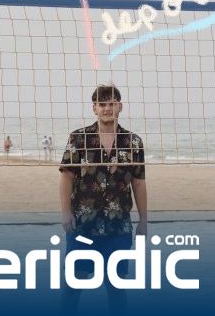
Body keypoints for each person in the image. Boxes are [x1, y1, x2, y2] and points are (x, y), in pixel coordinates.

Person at [59, 84, 147, 313]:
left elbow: (138, 182)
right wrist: (65, 212)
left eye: (112, 103)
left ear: (120, 107)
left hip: (118, 226)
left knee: (116, 286)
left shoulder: (133, 142)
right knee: (74, 284)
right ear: (94, 108)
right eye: (102, 104)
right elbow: (67, 176)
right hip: (83, 225)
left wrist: (143, 220)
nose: (107, 108)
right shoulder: (79, 138)